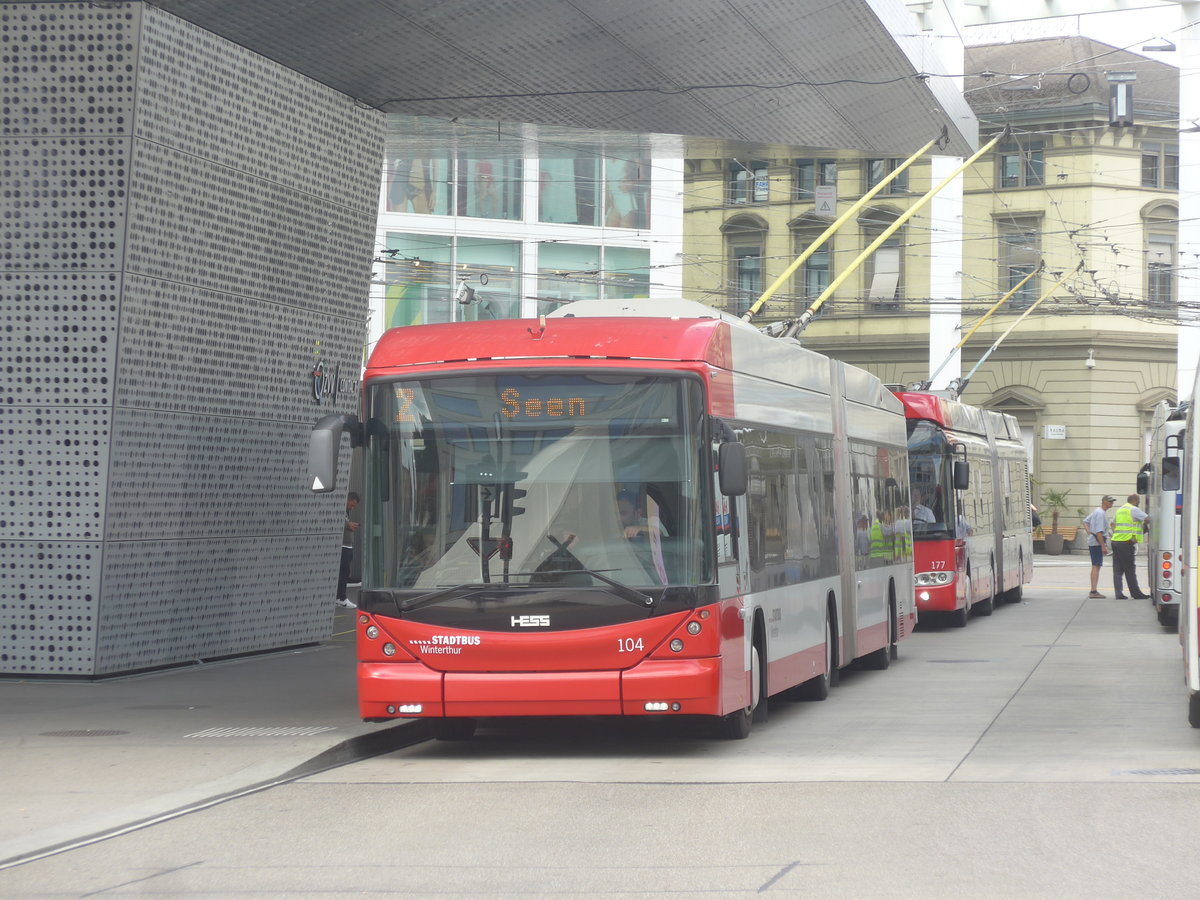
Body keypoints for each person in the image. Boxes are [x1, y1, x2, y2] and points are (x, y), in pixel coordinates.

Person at [1111, 493, 1150, 600]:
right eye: (1138, 502)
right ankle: (1136, 593)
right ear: (1135, 501)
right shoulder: (1133, 509)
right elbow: (1148, 518)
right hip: (1126, 543)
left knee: (1118, 570)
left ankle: (1118, 594)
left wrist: (1117, 533)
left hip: (1116, 541)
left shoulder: (1120, 509)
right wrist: (1144, 526)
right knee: (1130, 569)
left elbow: (1112, 524)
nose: (1139, 504)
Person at [1083, 495, 1114, 598]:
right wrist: (1103, 546)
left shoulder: (1097, 511)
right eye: (1110, 501)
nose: (1111, 503)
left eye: (1112, 501)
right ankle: (1093, 591)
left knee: (1096, 565)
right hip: (1097, 542)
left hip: (1094, 541)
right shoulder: (1100, 513)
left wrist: (1089, 532)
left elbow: (1085, 521)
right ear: (1104, 502)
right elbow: (1099, 532)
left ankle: (1093, 590)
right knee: (1096, 566)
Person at [336, 492, 360, 608]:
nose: (352, 507)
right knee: (343, 573)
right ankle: (341, 597)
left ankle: (339, 597)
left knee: (344, 573)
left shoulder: (346, 512)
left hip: (347, 546)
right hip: (343, 546)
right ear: (347, 500)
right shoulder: (339, 508)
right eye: (352, 504)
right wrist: (348, 525)